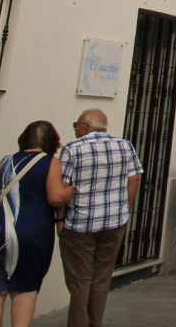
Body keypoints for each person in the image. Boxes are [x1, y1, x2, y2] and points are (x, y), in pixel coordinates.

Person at [0, 121, 73, 327]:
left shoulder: (7, 161)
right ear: (53, 143)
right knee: (24, 290)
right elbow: (55, 197)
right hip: (32, 234)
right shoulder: (50, 162)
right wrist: (69, 191)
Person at [58, 109, 143, 327]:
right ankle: (95, 322)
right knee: (101, 278)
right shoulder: (125, 146)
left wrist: (59, 220)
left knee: (80, 281)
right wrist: (125, 207)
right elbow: (133, 179)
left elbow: (63, 187)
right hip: (114, 221)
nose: (75, 128)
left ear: (85, 126)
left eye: (76, 124)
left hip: (80, 223)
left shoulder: (73, 149)